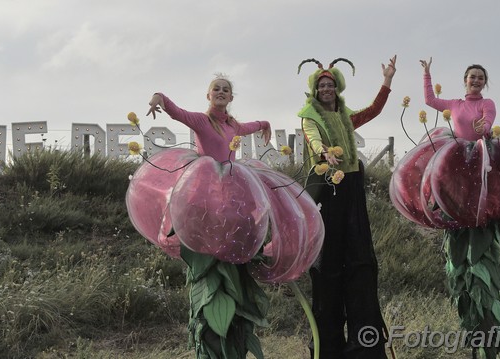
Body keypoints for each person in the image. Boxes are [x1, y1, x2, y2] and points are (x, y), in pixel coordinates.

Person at [145, 74, 272, 358]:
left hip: (231, 199)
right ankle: (209, 341)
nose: (221, 92)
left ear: (231, 97)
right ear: (209, 95)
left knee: (236, 262)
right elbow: (176, 112)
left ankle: (235, 337)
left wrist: (266, 125)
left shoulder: (234, 126)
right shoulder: (203, 122)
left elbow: (255, 125)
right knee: (207, 267)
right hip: (204, 199)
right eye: (217, 88)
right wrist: (158, 98)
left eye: (226, 89)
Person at [298, 55, 396, 359]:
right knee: (328, 267)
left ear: (336, 87)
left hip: (352, 186)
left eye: (330, 84)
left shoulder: (345, 115)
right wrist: (324, 151)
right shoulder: (309, 116)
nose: (326, 89)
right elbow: (312, 138)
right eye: (321, 85)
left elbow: (374, 110)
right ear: (315, 90)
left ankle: (363, 344)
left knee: (360, 262)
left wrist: (387, 80)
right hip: (328, 187)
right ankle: (327, 347)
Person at [420, 58, 496, 141]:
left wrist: (483, 129)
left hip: (483, 150)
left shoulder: (487, 103)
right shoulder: (455, 104)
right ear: (465, 80)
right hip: (459, 150)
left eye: (481, 78)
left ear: (484, 83)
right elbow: (430, 100)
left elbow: (488, 122)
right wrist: (426, 75)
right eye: (472, 77)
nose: (476, 80)